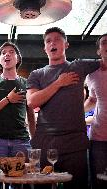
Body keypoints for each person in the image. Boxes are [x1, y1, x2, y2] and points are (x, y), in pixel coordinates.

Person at [26, 27, 101, 189]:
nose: (53, 43)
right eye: (48, 41)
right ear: (44, 48)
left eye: (57, 39)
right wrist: (59, 83)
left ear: (66, 44)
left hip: (75, 145)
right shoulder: (37, 74)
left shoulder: (79, 66)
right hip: (45, 143)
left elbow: (104, 61)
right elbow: (32, 101)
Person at [0, 42, 36, 189]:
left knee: (20, 185)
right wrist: (8, 99)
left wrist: (35, 140)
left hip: (21, 141)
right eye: (3, 52)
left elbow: (31, 116)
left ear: (18, 58)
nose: (7, 54)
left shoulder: (27, 84)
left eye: (11, 52)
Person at [84, 33, 107, 189]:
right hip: (98, 137)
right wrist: (74, 114)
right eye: (105, 43)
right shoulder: (92, 75)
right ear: (99, 50)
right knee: (98, 182)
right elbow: (92, 100)